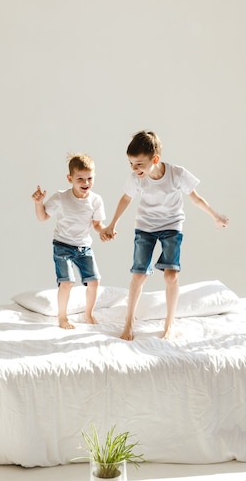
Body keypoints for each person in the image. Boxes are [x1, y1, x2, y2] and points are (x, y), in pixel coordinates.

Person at [100, 130, 229, 340]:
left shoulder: (177, 174)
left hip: (172, 225)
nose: (134, 169)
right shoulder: (137, 179)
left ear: (155, 159)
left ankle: (170, 324)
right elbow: (125, 199)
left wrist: (215, 216)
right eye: (131, 164)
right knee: (139, 275)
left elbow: (196, 198)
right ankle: (128, 323)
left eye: (139, 164)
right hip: (145, 226)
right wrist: (112, 224)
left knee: (171, 276)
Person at [32, 153, 106, 330]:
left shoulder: (96, 200)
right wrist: (38, 203)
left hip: (84, 247)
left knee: (94, 281)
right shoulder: (61, 197)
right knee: (67, 282)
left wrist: (104, 231)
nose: (85, 183)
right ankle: (62, 317)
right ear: (70, 178)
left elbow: (97, 224)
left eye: (89, 178)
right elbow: (42, 217)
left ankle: (89, 314)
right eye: (80, 179)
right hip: (62, 246)